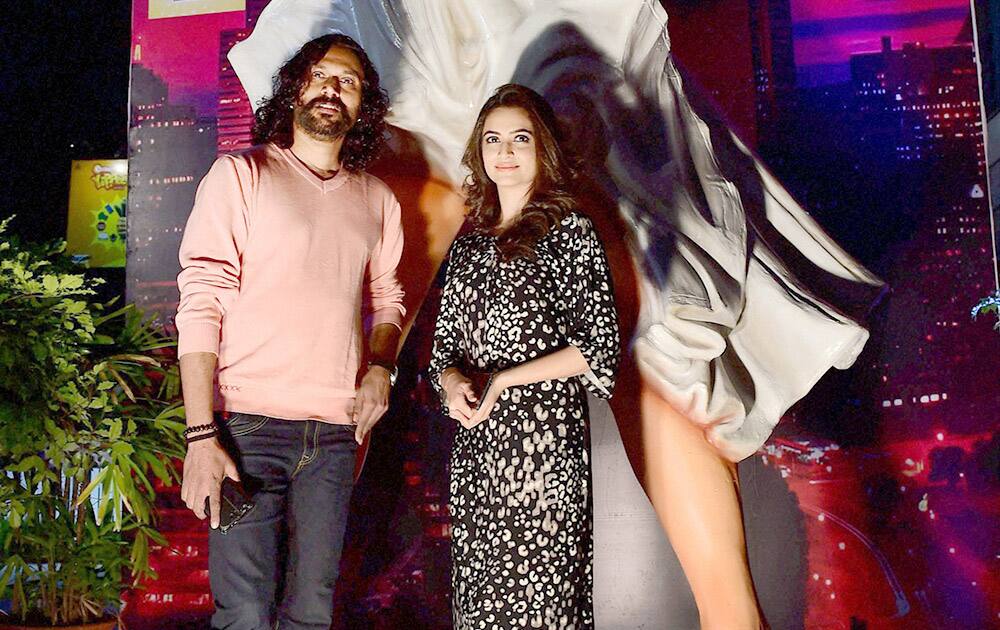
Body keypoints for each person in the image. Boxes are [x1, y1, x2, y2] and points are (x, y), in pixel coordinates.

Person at [175, 33, 405, 630]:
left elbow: (388, 298)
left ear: (362, 106)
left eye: (348, 81)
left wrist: (381, 366)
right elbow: (200, 305)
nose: (332, 88)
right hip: (245, 431)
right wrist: (201, 435)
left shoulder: (378, 200)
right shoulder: (240, 175)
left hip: (334, 437)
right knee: (244, 613)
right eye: (319, 75)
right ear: (294, 88)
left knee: (311, 613)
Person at [429, 84, 621, 630]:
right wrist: (450, 384)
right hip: (476, 453)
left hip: (545, 449)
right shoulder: (467, 245)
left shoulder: (570, 231)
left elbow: (597, 345)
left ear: (543, 150)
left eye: (520, 138)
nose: (504, 152)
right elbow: (444, 350)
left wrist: (503, 381)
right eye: (493, 139)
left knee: (544, 605)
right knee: (481, 605)